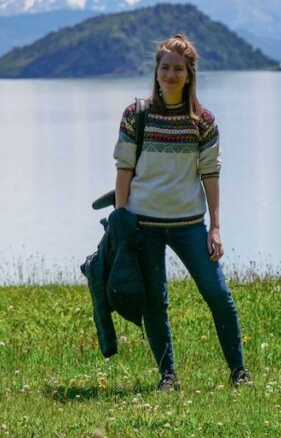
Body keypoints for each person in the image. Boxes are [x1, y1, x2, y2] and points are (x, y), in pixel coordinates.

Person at [113, 33, 250, 391]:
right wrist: (121, 217)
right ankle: (168, 376)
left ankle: (239, 372)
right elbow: (124, 168)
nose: (170, 75)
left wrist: (215, 227)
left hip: (190, 223)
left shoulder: (202, 121)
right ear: (156, 71)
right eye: (165, 68)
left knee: (218, 294)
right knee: (154, 303)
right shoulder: (135, 116)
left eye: (178, 69)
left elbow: (210, 173)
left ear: (190, 75)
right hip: (143, 224)